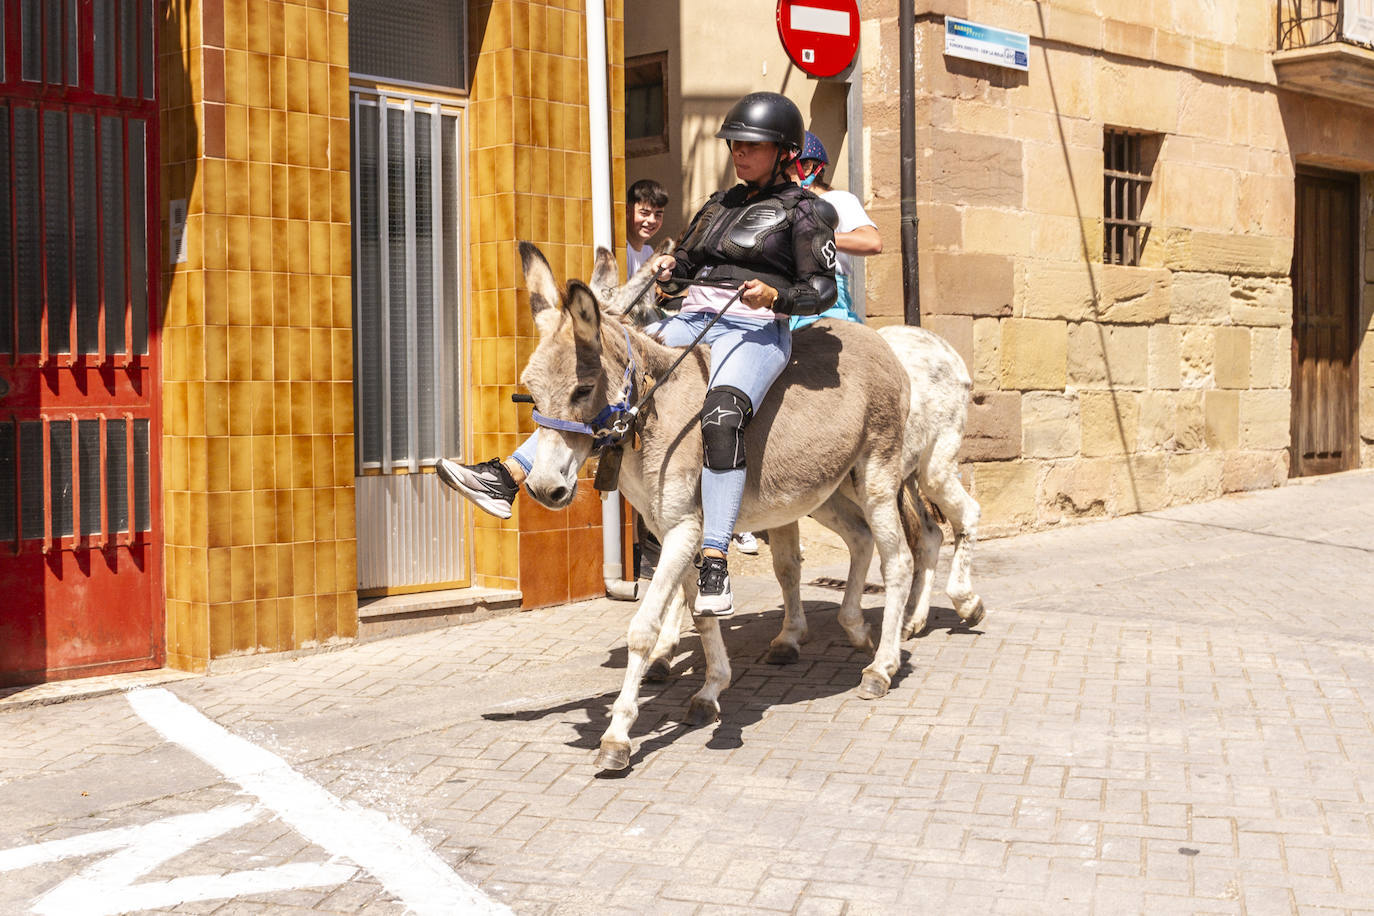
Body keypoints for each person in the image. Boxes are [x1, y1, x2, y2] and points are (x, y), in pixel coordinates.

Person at [437, 92, 838, 617]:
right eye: (735, 144)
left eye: (751, 145)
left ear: (783, 150)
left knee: (721, 414)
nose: (739, 152)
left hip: (756, 329)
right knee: (605, 377)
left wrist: (776, 296)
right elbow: (687, 261)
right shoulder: (719, 204)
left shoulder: (806, 209)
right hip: (693, 321)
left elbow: (822, 288)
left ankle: (715, 555)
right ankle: (507, 475)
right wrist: (670, 274)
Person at [789, 131, 882, 330]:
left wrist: (820, 238)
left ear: (807, 167)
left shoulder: (838, 200)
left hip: (824, 298)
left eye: (785, 167)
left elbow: (872, 242)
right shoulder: (781, 204)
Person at [625, 178, 668, 275]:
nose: (652, 220)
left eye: (658, 215)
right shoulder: (621, 252)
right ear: (627, 211)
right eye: (644, 213)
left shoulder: (648, 252)